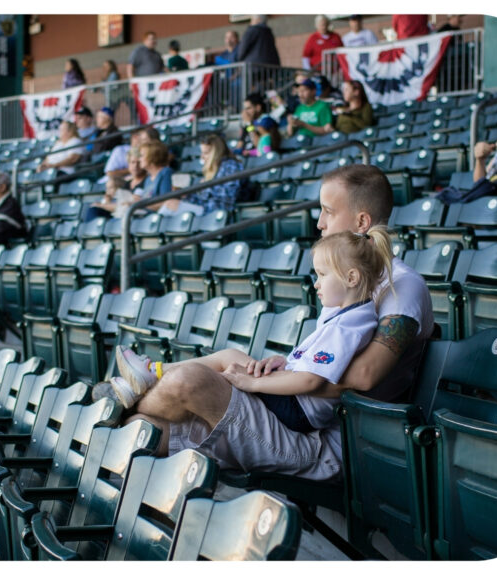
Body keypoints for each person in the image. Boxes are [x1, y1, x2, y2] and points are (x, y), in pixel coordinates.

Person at [91, 164, 433, 480]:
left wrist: (271, 379)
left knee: (194, 381)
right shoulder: (351, 280)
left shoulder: (401, 285)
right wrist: (287, 365)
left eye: (328, 211)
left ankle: (125, 397)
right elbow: (333, 356)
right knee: (146, 423)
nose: (320, 223)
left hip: (327, 439)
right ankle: (142, 387)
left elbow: (362, 376)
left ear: (361, 223)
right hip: (299, 414)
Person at [116, 226, 394, 439]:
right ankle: (153, 372)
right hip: (295, 401)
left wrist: (254, 384)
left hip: (298, 410)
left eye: (322, 275)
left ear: (352, 278)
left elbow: (311, 382)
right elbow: (315, 366)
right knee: (230, 357)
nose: (315, 284)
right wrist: (286, 363)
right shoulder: (346, 314)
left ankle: (150, 377)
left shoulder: (348, 326)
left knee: (224, 375)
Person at [161, 134, 246, 215]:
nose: (202, 157)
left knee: (171, 205)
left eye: (206, 153)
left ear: (216, 153)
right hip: (206, 208)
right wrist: (186, 195)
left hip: (217, 210)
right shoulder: (214, 169)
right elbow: (203, 198)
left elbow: (227, 196)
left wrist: (205, 186)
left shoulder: (230, 166)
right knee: (170, 203)